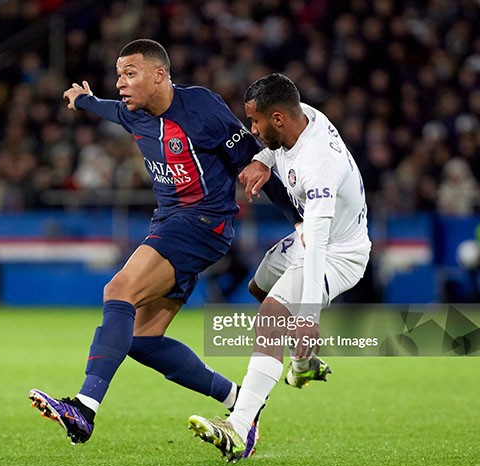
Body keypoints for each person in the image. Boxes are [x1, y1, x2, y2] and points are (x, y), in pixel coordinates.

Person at [29, 39, 301, 445]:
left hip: (201, 223)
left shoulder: (202, 108)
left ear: (159, 75)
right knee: (141, 340)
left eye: (130, 73)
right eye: (118, 74)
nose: (120, 83)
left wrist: (301, 222)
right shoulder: (132, 113)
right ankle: (242, 401)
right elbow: (106, 108)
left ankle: (84, 407)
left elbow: (253, 159)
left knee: (117, 290)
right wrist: (83, 99)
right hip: (174, 223)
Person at [188, 73, 371, 461]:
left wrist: (307, 317)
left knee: (274, 314)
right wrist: (261, 159)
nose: (250, 129)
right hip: (309, 240)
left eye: (254, 123)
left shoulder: (319, 165)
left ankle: (240, 428)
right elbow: (275, 147)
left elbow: (317, 243)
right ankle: (302, 363)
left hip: (338, 252)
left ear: (277, 119)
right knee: (259, 290)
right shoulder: (299, 116)